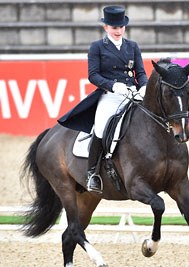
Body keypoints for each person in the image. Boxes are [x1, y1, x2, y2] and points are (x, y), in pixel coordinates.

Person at [58, 5, 148, 193]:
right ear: (106, 27)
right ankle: (92, 174)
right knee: (100, 128)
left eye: (121, 27)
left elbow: (140, 72)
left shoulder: (132, 46)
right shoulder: (97, 47)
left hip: (132, 94)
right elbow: (93, 75)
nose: (118, 31)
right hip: (110, 96)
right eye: (114, 28)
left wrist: (144, 87)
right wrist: (114, 86)